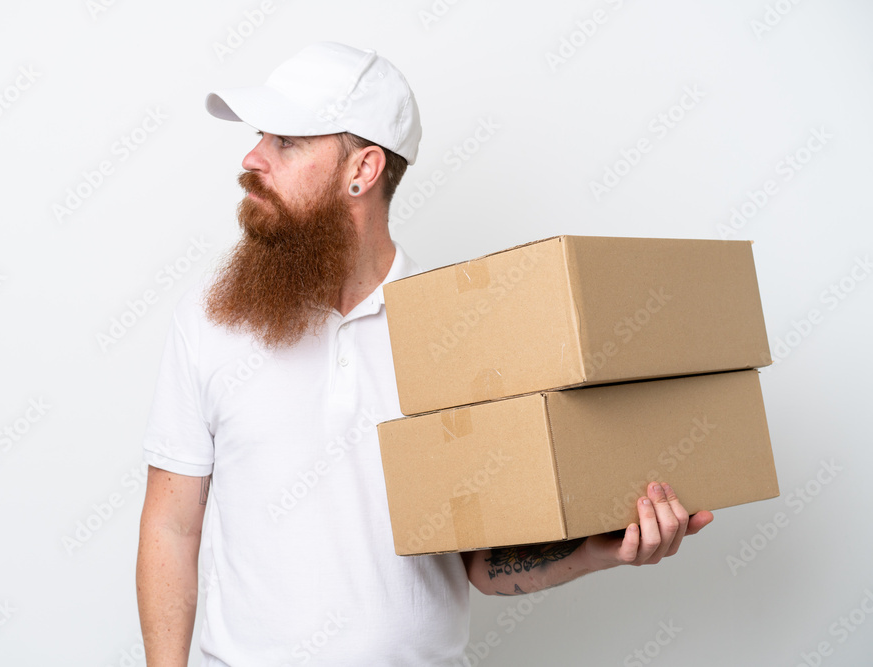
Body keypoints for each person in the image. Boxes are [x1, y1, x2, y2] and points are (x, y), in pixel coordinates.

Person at [135, 41, 713, 667]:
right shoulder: (211, 317)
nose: (252, 159)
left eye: (287, 142)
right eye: (260, 136)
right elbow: (171, 528)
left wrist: (604, 549)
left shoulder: (460, 332)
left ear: (363, 169)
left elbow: (484, 564)